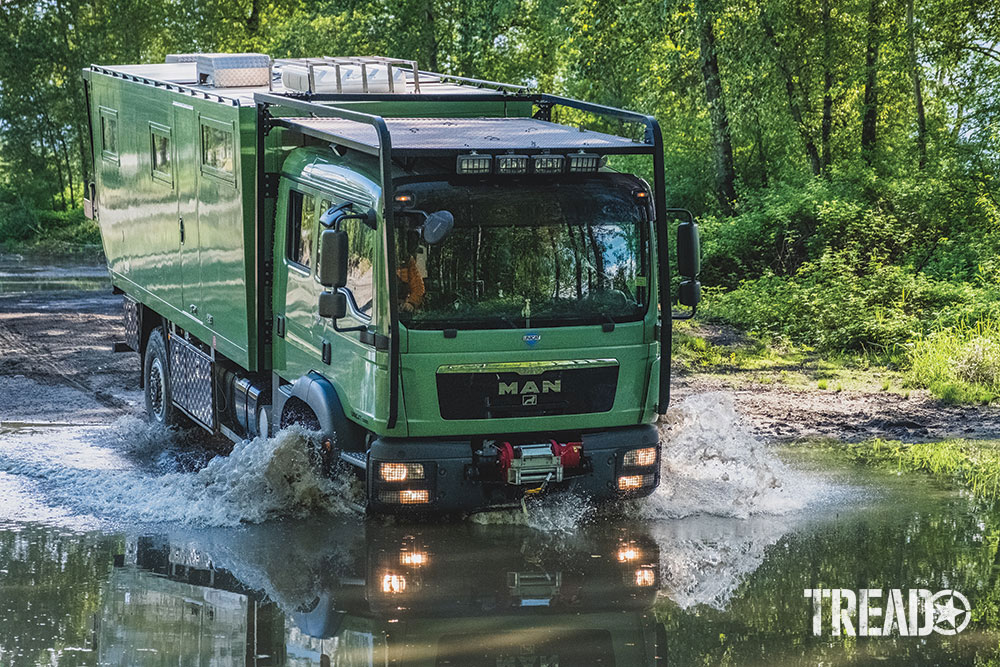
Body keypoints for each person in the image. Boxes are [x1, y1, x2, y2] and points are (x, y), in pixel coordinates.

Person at [397, 231, 426, 312]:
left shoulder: (408, 262)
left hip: (399, 316)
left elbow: (418, 288)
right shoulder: (381, 260)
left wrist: (411, 303)